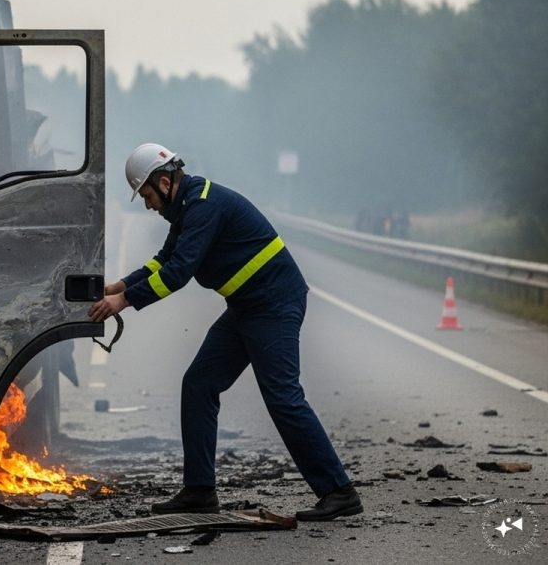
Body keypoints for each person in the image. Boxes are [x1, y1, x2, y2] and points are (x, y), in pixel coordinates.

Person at [88, 143, 361, 521]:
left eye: (147, 196)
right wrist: (119, 285)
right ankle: (199, 492)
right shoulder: (187, 206)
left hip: (273, 304)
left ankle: (339, 492)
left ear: (164, 183)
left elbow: (178, 272)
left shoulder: (204, 207)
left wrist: (125, 301)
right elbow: (164, 259)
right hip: (247, 307)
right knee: (199, 385)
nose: (148, 205)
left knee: (283, 397)